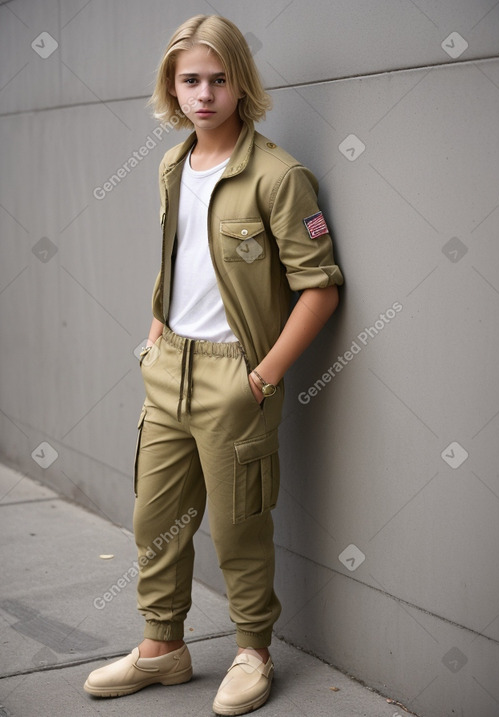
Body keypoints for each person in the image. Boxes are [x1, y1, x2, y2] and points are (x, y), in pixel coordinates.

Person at [84, 14, 343, 715]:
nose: (204, 94)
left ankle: (253, 650)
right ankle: (162, 647)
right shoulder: (173, 164)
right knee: (154, 519)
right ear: (173, 85)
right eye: (190, 79)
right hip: (169, 369)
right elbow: (176, 264)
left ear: (241, 84)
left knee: (238, 528)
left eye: (219, 79)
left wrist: (261, 377)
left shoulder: (279, 176)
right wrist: (155, 334)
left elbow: (321, 287)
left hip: (238, 377)